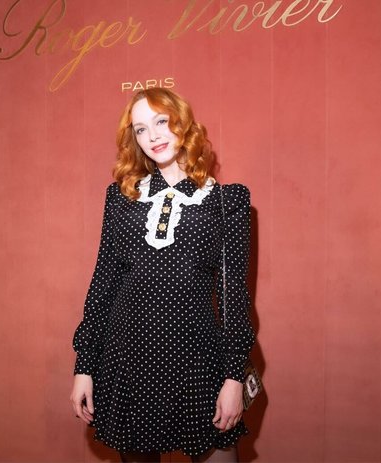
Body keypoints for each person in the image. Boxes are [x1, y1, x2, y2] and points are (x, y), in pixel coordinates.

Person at [70, 88, 256, 463]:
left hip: (198, 358)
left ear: (183, 123)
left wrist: (234, 377)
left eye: (161, 121)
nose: (152, 136)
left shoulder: (226, 200)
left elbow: (233, 296)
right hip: (128, 356)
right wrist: (84, 367)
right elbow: (104, 281)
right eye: (140, 129)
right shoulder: (121, 197)